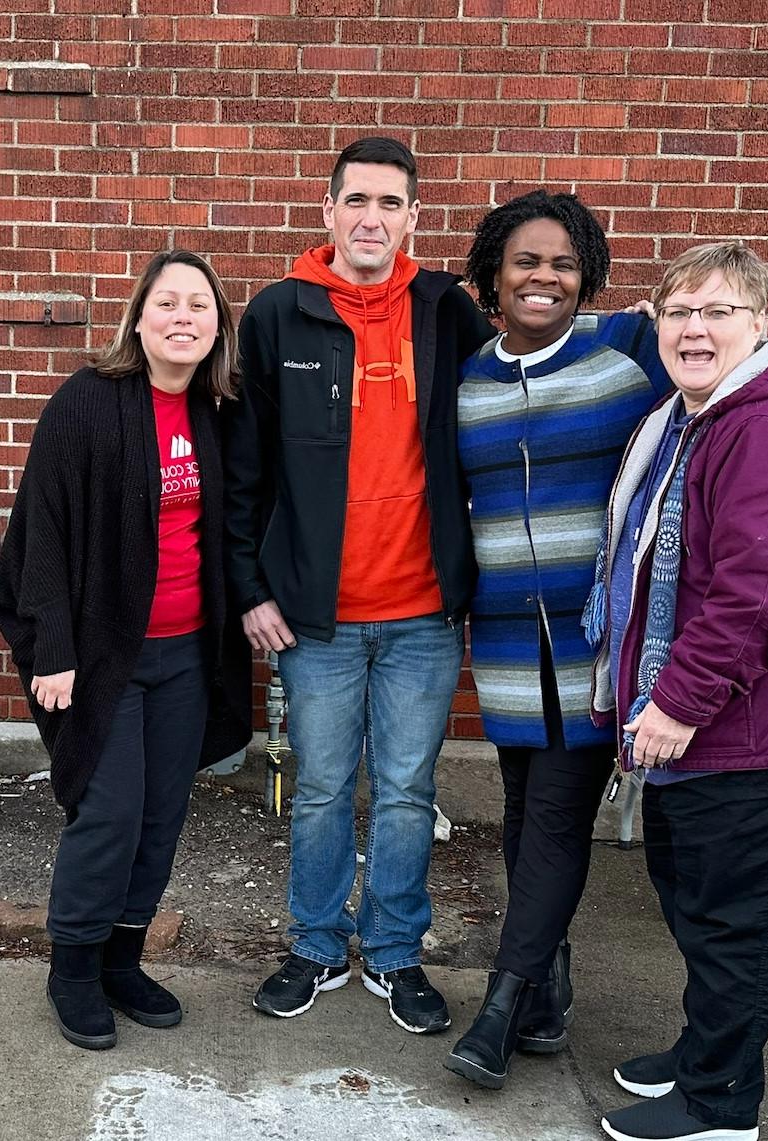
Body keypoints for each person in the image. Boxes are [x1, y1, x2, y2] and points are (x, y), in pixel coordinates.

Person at [443, 192, 768, 1090]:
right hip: (509, 646)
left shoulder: (630, 352)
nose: (543, 277)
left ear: (589, 280)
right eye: (524, 262)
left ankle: (504, 1004)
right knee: (522, 820)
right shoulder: (467, 375)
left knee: (550, 825)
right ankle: (546, 983)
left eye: (563, 264)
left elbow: (758, 370)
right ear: (491, 278)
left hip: (600, 656)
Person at [221, 136, 493, 1034]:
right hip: (315, 617)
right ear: (328, 209)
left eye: (391, 204)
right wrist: (252, 588)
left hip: (421, 612)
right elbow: (243, 471)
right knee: (324, 785)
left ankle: (394, 953)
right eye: (357, 201)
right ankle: (314, 944)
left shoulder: (447, 309)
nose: (372, 218)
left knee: (410, 789)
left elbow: (540, 367)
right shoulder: (276, 315)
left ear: (414, 217)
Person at [589, 242, 768, 1141]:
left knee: (741, 929)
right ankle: (704, 1057)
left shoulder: (767, 425)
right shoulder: (696, 416)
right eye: (679, 310)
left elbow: (763, 589)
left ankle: (721, 1105)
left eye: (719, 311)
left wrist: (677, 701)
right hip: (719, 734)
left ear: (762, 325)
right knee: (704, 911)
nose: (695, 328)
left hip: (759, 736)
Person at [0, 250, 252, 1051]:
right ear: (138, 318)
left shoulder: (216, 412)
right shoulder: (87, 402)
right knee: (107, 814)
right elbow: (43, 532)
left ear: (218, 328)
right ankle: (71, 969)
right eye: (167, 302)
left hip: (185, 656)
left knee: (161, 816)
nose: (183, 317)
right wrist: (52, 649)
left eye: (199, 306)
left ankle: (121, 961)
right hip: (101, 658)